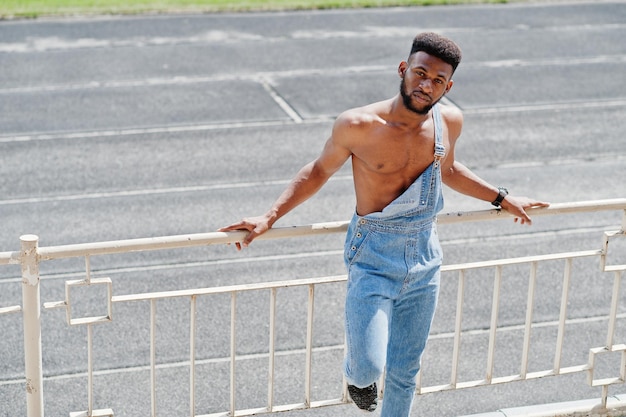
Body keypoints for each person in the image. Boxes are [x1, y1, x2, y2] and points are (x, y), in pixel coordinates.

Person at [219, 32, 549, 416]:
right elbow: (318, 171)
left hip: (425, 255)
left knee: (405, 371)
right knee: (368, 368)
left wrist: (502, 197)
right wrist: (269, 216)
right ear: (403, 69)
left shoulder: (449, 123)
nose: (426, 85)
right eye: (420, 73)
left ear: (449, 86)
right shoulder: (358, 124)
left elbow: (449, 169)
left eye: (438, 80)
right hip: (373, 256)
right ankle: (357, 381)